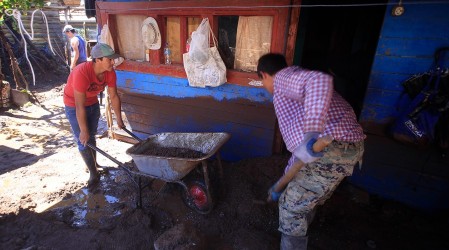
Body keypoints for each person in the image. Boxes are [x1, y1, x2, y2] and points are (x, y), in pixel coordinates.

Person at [257, 53, 366, 250]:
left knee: (291, 208)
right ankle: (303, 227)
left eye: (263, 83)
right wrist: (280, 186)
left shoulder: (282, 78)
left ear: (264, 75)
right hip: (343, 150)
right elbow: (301, 156)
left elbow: (319, 80)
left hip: (332, 148)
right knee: (305, 199)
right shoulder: (292, 94)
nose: (266, 89)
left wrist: (311, 132)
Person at [63, 43, 124, 188]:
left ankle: (94, 164)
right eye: (109, 59)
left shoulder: (109, 72)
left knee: (92, 136)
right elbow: (79, 105)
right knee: (83, 139)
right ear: (98, 60)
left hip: (92, 102)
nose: (113, 62)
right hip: (74, 105)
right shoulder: (81, 72)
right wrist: (83, 130)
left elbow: (114, 96)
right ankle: (92, 173)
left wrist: (119, 120)